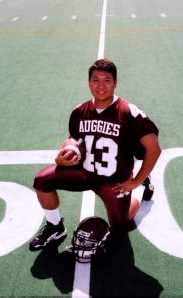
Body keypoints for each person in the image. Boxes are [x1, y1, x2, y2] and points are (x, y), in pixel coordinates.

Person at [29, 59, 161, 251]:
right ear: (88, 82)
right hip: (85, 171)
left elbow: (154, 149)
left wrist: (136, 180)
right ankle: (55, 227)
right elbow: (73, 139)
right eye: (95, 80)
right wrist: (62, 156)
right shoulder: (79, 111)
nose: (101, 86)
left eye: (107, 80)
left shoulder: (129, 113)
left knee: (120, 225)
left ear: (116, 82)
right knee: (41, 180)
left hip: (114, 180)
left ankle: (142, 187)